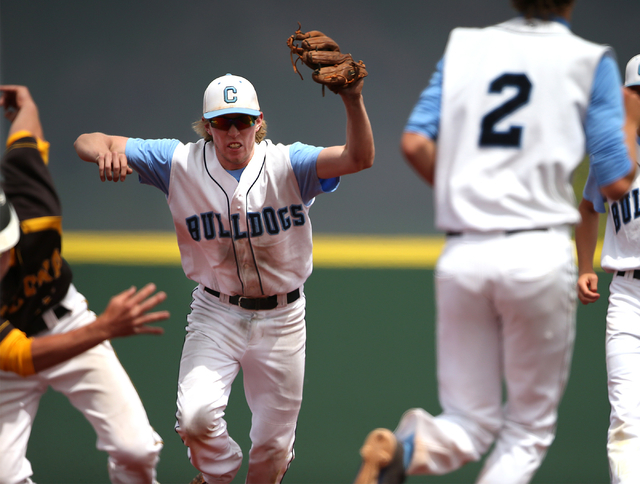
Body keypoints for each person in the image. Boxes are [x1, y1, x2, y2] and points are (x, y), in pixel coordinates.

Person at [354, 1, 640, 483]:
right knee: (526, 431)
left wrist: (468, 201)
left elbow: (414, 144)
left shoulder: (465, 46)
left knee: (469, 421)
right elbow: (615, 182)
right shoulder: (590, 59)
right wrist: (629, 121)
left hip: (466, 250)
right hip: (536, 252)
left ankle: (407, 448)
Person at [74, 72, 374, 483]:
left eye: (243, 121)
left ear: (259, 121)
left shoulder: (290, 163)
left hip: (283, 319)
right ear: (207, 126)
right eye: (222, 122)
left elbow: (359, 158)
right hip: (217, 311)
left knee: (272, 451)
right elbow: (88, 140)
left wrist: (353, 100)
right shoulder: (177, 162)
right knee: (195, 418)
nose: (233, 131)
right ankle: (217, 476)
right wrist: (103, 153)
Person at [0, 85, 168, 484]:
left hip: (65, 319)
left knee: (137, 449)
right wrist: (106, 328)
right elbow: (21, 357)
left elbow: (27, 137)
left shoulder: (30, 201)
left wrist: (26, 103)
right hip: (12, 359)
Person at [576, 54, 640, 484]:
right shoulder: (612, 152)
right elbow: (587, 208)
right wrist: (584, 265)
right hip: (629, 295)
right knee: (627, 421)